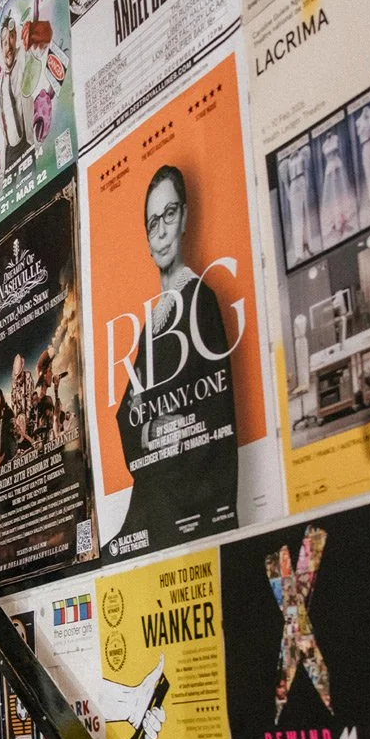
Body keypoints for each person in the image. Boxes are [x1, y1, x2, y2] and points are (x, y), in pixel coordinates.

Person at [113, 165, 239, 555]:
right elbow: (125, 415)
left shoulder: (202, 299)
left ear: (184, 218)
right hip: (151, 502)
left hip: (189, 502)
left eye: (169, 214)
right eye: (153, 222)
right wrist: (151, 429)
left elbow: (219, 410)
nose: (162, 230)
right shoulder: (150, 325)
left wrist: (176, 425)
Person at [0, 13, 30, 173]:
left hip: (27, 142)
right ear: (1, 47)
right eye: (4, 42)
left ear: (16, 37)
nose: (8, 46)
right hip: (10, 151)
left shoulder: (23, 56)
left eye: (11, 37)